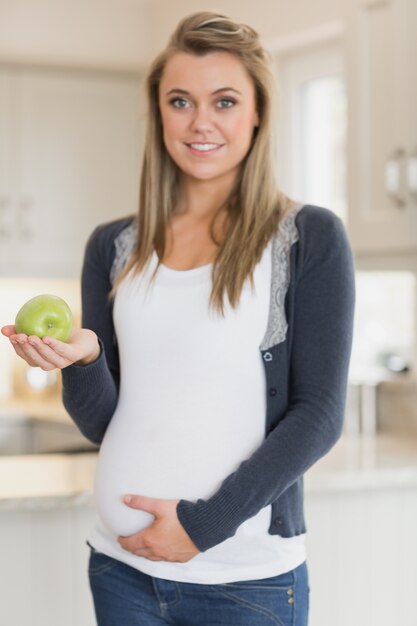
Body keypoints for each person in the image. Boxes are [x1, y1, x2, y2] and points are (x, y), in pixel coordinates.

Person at [1, 10, 355, 626]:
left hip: (245, 579)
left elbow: (318, 416)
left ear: (258, 112)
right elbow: (104, 424)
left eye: (224, 100)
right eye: (180, 100)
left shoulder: (307, 238)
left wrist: (202, 526)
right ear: (159, 111)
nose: (200, 122)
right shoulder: (113, 246)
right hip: (120, 571)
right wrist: (84, 361)